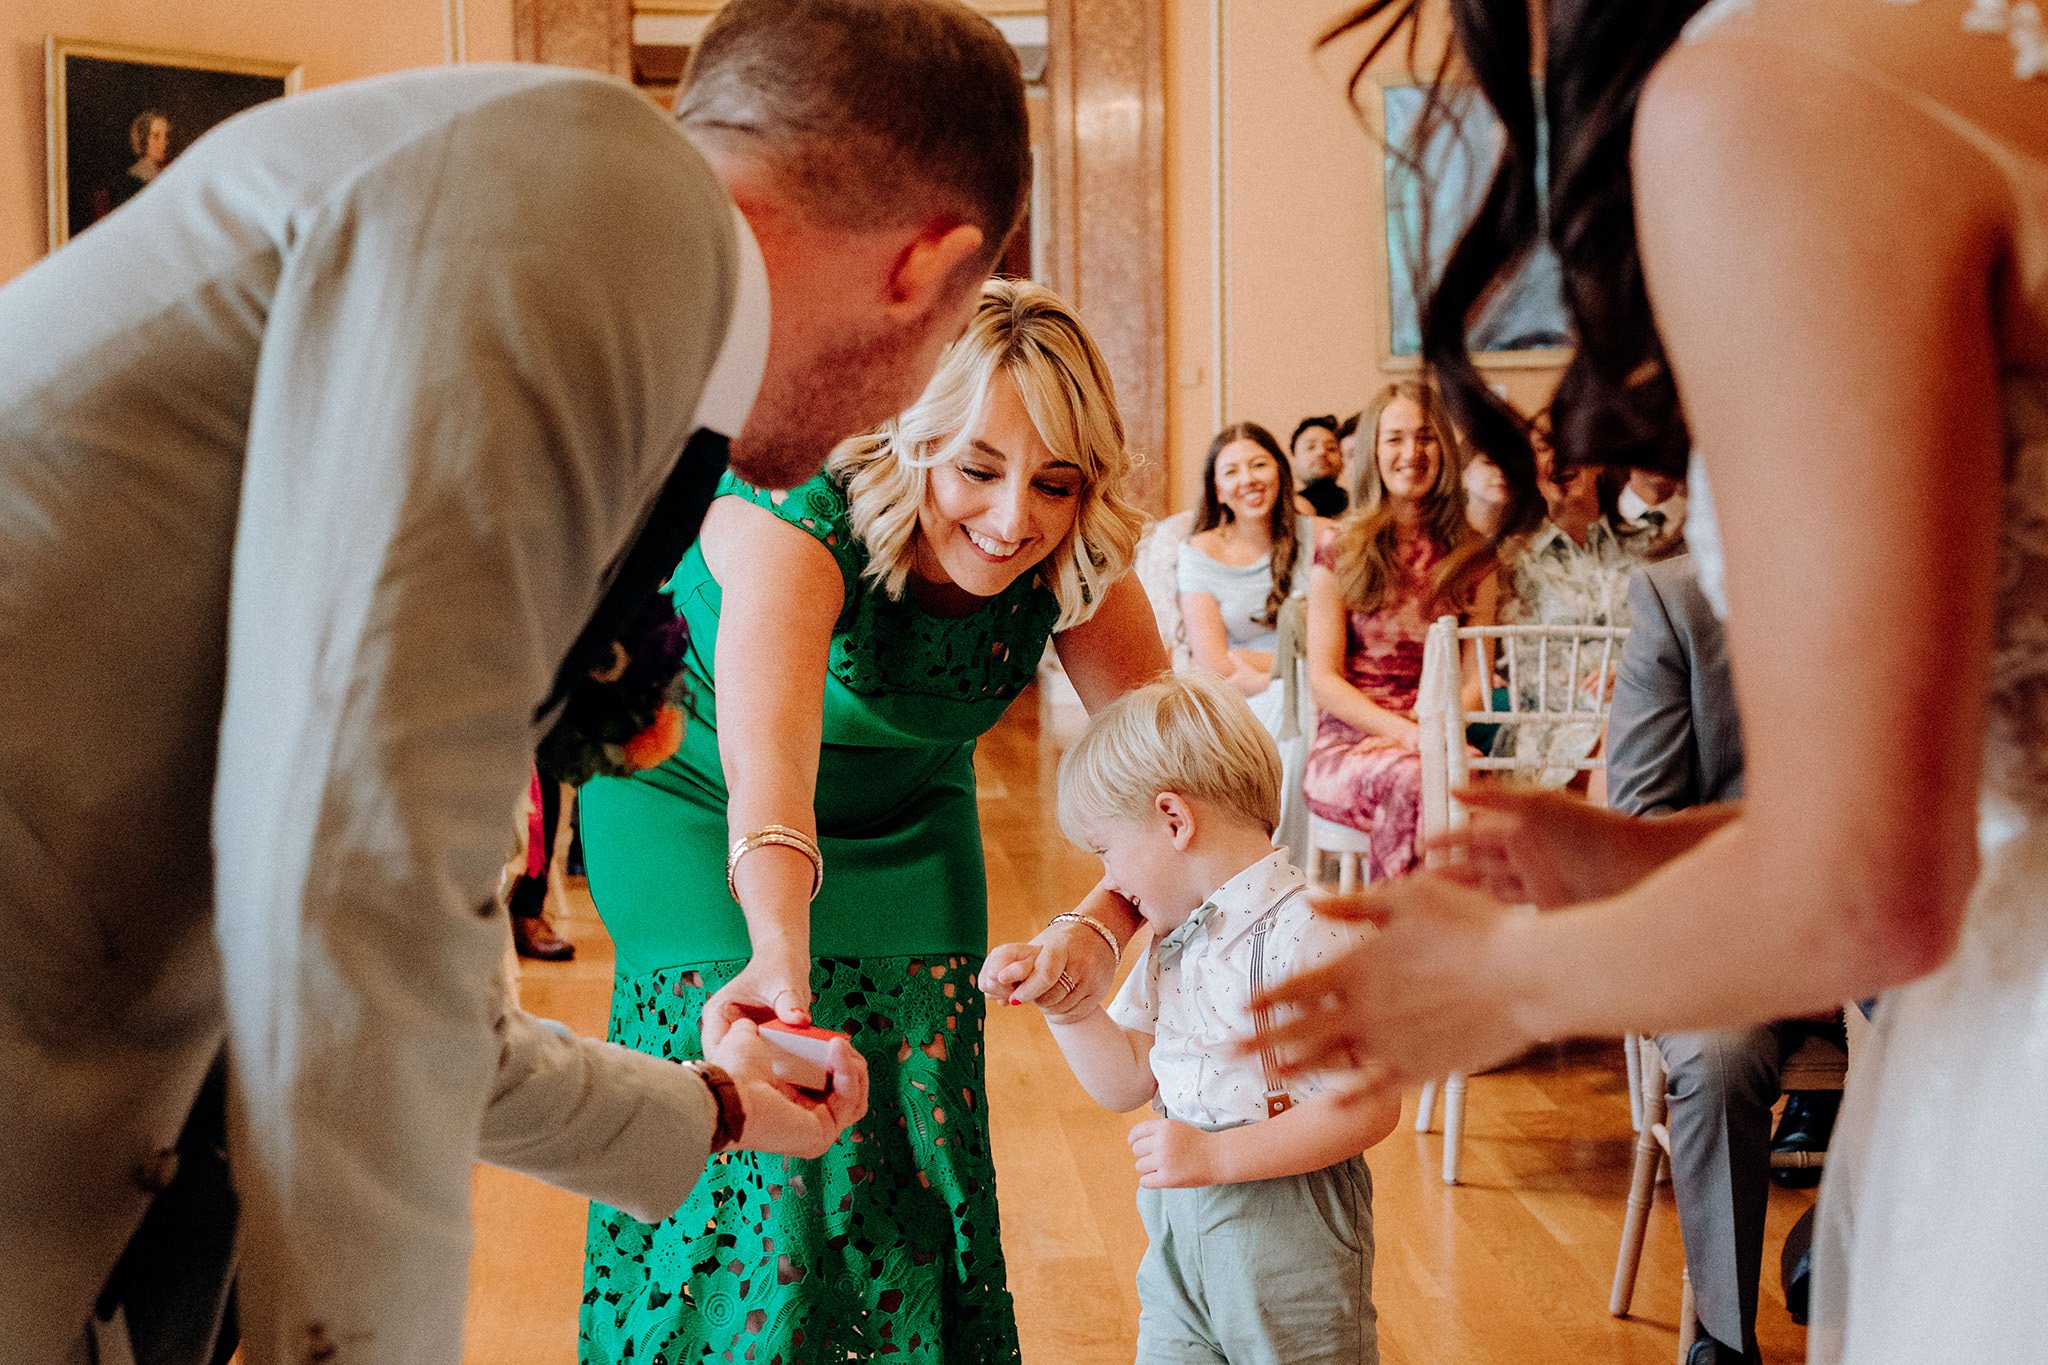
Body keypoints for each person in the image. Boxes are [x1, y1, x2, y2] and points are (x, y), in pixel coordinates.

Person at [0, 0, 1030, 1359]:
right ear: (929, 267)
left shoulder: (570, 250)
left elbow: (406, 987)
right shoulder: (599, 203)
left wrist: (712, 1109)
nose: (890, 419)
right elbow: (349, 897)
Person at [1264, 3, 2045, 1361]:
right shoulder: (1978, 41)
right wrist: (1637, 856)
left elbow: (1867, 896)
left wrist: (1509, 979)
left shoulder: (1767, 95)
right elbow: (1973, 803)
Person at [577, 279, 1165, 1364]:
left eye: (1052, 481)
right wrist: (774, 963)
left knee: (912, 1133)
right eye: (978, 470)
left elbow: (1184, 796)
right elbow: (769, 789)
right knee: (761, 1167)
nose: (1011, 520)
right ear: (915, 440)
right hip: (700, 800)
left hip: (906, 807)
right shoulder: (793, 528)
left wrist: (1101, 923)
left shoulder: (1076, 557)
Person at [994, 672, 1396, 1364]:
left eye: (1106, 850)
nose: (1109, 881)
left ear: (1174, 820)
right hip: (1182, 1229)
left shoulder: (1313, 932)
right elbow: (1125, 1081)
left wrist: (1217, 1155)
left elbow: (1371, 1104)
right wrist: (1068, 1005)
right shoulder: (1172, 941)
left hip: (1290, 1230)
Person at [1607, 554, 1843, 1365]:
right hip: (1727, 935)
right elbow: (1642, 824)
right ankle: (1725, 1338)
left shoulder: (1916, 568)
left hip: (1888, 935)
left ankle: (1840, 1226)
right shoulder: (1678, 601)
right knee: (1717, 1056)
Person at [1301, 380, 1496, 880]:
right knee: (1421, 782)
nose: (1412, 452)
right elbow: (1324, 680)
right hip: (1349, 747)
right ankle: (1414, 941)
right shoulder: (1338, 548)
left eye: (1426, 437)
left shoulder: (1475, 558)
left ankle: (1446, 935)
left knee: (1476, 786)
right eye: (1395, 439)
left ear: (1445, 451)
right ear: (1374, 450)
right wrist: (1404, 735)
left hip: (1437, 738)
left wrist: (1428, 733)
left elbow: (1477, 681)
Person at [92, 108, 171, 221]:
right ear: (144, 139)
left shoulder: (167, 172)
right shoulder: (131, 180)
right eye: (156, 136)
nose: (164, 142)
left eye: (166, 136)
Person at [1292, 413, 1349, 517]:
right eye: (1310, 447)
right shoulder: (1284, 508)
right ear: (1294, 461)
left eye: (1331, 448)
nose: (1322, 452)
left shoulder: (1358, 505)